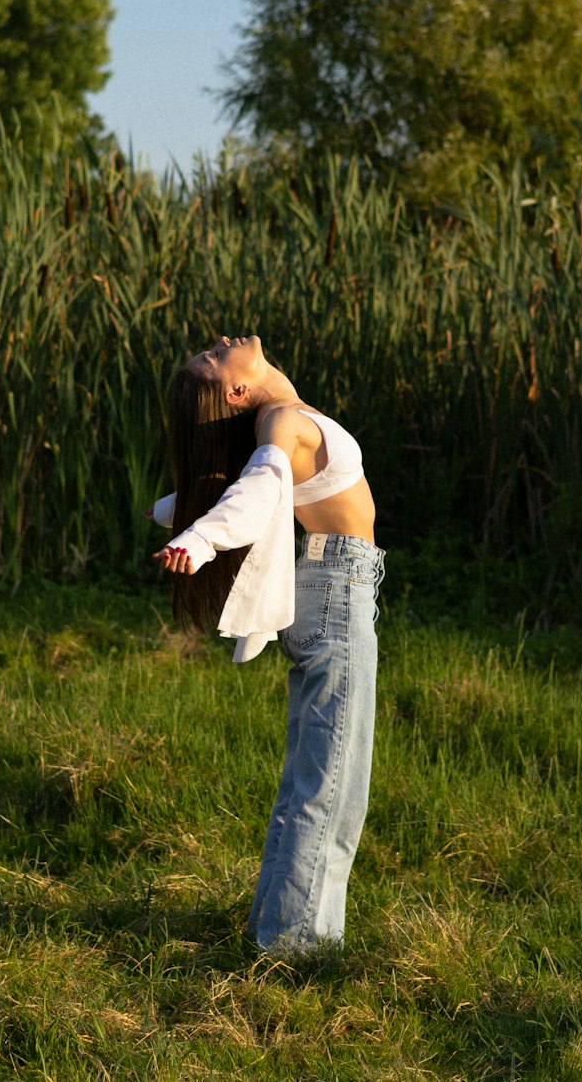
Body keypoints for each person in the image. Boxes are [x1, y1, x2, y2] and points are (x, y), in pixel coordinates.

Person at [151, 334, 385, 955]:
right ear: (235, 388)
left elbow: (247, 488)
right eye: (211, 356)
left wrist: (191, 516)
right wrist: (201, 538)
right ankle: (295, 951)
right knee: (331, 780)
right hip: (336, 589)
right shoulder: (280, 421)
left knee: (316, 773)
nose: (220, 343)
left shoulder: (274, 420)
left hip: (334, 585)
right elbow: (256, 495)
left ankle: (276, 932)